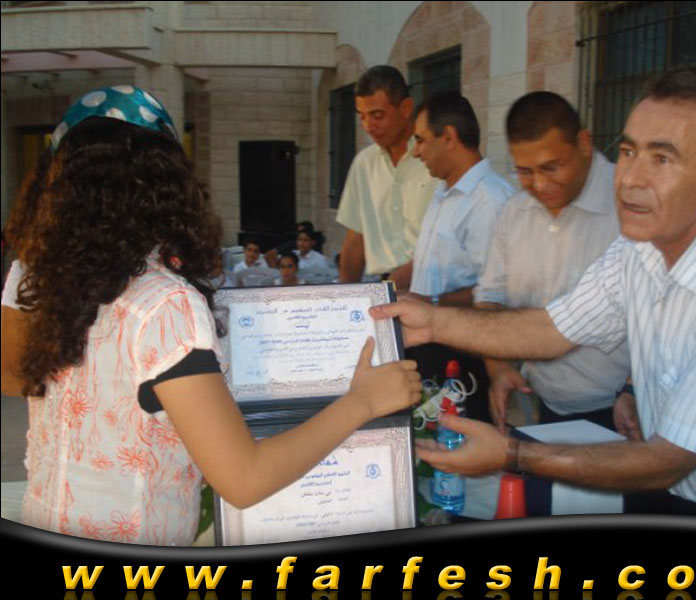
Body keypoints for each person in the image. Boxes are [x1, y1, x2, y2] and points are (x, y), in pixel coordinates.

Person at [372, 71, 696, 527]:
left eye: (662, 158)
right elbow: (550, 330)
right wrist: (431, 322)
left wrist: (513, 454)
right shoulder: (639, 249)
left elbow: (670, 459)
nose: (630, 179)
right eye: (629, 152)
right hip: (672, 490)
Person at [0, 86, 422, 544]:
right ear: (167, 185)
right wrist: (363, 402)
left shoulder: (34, 273)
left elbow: (15, 378)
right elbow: (243, 478)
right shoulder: (165, 304)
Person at [474, 92, 629, 432]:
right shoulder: (514, 213)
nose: (540, 185)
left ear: (584, 143)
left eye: (551, 167)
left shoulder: (630, 205)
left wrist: (632, 391)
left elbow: (664, 321)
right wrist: (499, 369)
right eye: (525, 171)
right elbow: (490, 299)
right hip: (536, 406)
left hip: (622, 413)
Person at [406, 90, 515, 422]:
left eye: (421, 140)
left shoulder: (490, 201)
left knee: (457, 440)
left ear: (449, 137)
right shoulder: (444, 192)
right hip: (428, 344)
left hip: (465, 354)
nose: (415, 151)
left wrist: (430, 303)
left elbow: (497, 292)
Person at [336, 65, 437, 288]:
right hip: (385, 287)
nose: (368, 126)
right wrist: (343, 297)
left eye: (377, 115)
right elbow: (356, 239)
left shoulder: (434, 159)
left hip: (434, 288)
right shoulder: (364, 164)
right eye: (362, 117)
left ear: (406, 108)